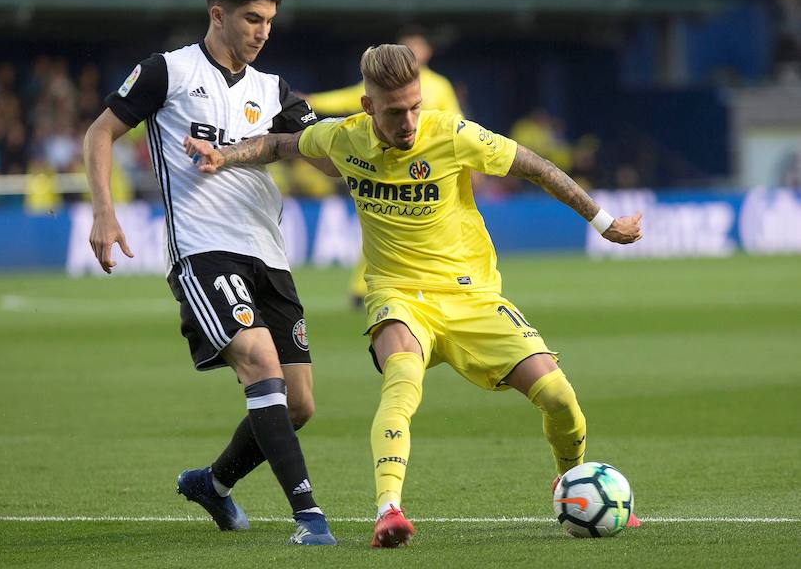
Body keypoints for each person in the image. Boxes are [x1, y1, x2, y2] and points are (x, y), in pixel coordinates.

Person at [185, 44, 644, 548]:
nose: (408, 122)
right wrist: (223, 155)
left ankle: (571, 482)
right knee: (402, 379)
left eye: (414, 106)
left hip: (471, 295)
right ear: (368, 108)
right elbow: (279, 145)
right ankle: (389, 511)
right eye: (395, 111)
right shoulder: (343, 139)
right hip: (398, 295)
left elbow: (535, 167)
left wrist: (604, 223)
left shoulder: (452, 133)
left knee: (559, 399)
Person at [83, 0, 335, 546]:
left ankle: (212, 484)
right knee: (258, 362)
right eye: (253, 19)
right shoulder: (166, 71)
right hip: (203, 249)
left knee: (298, 404)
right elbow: (99, 134)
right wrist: (105, 211)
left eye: (269, 22)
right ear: (217, 15)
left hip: (268, 254)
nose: (262, 32)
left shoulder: (274, 90)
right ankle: (309, 518)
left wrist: (356, 147)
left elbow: (320, 153)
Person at [304, 26, 461, 308]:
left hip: (429, 171)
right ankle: (358, 288)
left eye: (417, 47)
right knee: (379, 226)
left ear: (427, 52)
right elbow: (348, 97)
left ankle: (438, 283)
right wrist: (313, 101)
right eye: (407, 47)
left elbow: (457, 127)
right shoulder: (384, 86)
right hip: (389, 162)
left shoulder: (440, 86)